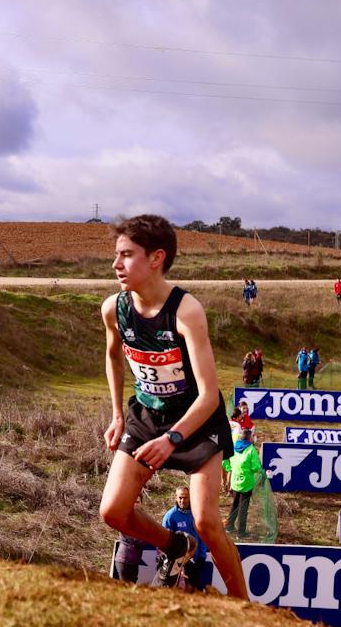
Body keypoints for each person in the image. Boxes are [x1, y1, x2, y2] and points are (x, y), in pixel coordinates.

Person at [97, 214, 246, 599]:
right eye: (116, 255)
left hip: (196, 420)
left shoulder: (186, 311)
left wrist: (173, 438)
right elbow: (113, 357)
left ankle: (243, 605)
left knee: (207, 522)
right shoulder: (114, 308)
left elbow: (209, 395)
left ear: (156, 258)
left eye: (126, 255)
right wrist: (117, 414)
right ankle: (175, 546)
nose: (115, 264)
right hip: (147, 415)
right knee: (112, 511)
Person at [160, 487, 209, 590]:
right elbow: (164, 541)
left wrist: (202, 555)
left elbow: (203, 534)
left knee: (197, 591)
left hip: (197, 560)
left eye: (185, 498)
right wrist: (174, 562)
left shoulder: (197, 513)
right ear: (176, 498)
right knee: (180, 592)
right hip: (179, 563)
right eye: (180, 498)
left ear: (190, 498)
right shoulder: (170, 516)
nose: (182, 500)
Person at [224, 428, 263, 540]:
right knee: (243, 508)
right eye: (253, 436)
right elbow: (255, 467)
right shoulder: (251, 450)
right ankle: (241, 533)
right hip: (246, 483)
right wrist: (259, 470)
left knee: (235, 504)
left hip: (235, 482)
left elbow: (224, 460)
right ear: (250, 438)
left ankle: (229, 526)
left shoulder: (234, 447)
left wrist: (230, 468)